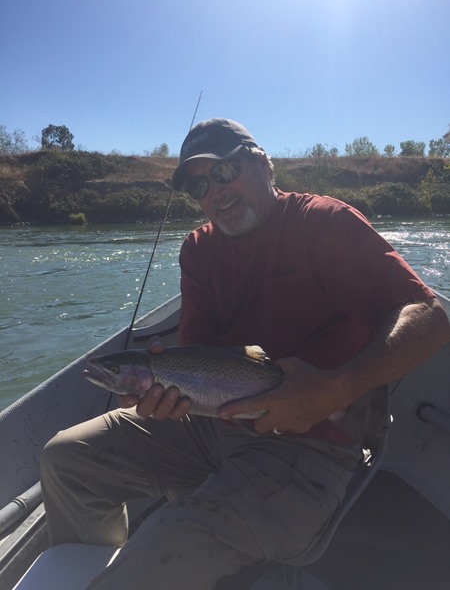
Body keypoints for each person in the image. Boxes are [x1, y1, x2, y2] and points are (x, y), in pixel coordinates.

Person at [40, 118, 450, 589]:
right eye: (198, 185)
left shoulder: (326, 223)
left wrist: (333, 390)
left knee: (158, 554)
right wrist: (165, 400)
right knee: (66, 460)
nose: (214, 191)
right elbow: (197, 355)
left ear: (263, 165)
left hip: (308, 446)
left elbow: (429, 315)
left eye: (223, 172)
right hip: (211, 424)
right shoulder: (198, 249)